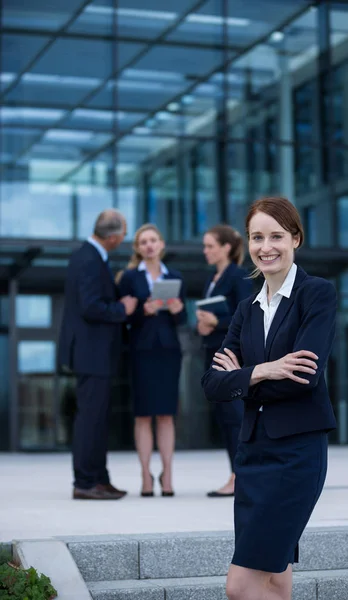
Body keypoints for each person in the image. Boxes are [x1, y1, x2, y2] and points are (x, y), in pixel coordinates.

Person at [201, 197, 337, 600]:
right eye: (257, 237)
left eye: (276, 236)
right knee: (276, 581)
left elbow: (302, 379)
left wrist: (241, 379)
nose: (266, 246)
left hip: (296, 455)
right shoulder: (246, 309)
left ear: (295, 238)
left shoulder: (317, 294)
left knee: (239, 587)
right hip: (252, 455)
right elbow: (211, 384)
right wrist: (263, 370)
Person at [58, 209, 137, 500]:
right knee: (91, 419)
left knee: (97, 418)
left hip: (95, 353)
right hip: (92, 353)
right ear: (114, 236)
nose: (122, 240)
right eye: (123, 235)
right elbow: (90, 306)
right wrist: (122, 309)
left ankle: (99, 479)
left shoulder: (91, 257)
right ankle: (86, 482)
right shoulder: (89, 259)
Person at [118, 224, 186, 497]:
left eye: (153, 240)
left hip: (169, 351)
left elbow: (182, 321)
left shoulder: (175, 276)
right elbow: (123, 318)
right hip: (142, 351)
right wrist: (141, 312)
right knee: (143, 415)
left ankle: (167, 473)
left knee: (167, 416)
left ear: (161, 245)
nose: (148, 245)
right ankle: (145, 475)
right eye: (143, 241)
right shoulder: (129, 278)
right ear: (137, 248)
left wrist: (178, 309)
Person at [197, 225, 253, 497]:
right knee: (225, 419)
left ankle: (240, 477)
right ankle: (237, 474)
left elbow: (247, 317)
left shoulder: (238, 275)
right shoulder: (213, 278)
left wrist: (217, 321)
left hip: (230, 358)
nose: (205, 251)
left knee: (234, 418)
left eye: (210, 246)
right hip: (214, 353)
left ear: (226, 248)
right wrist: (205, 326)